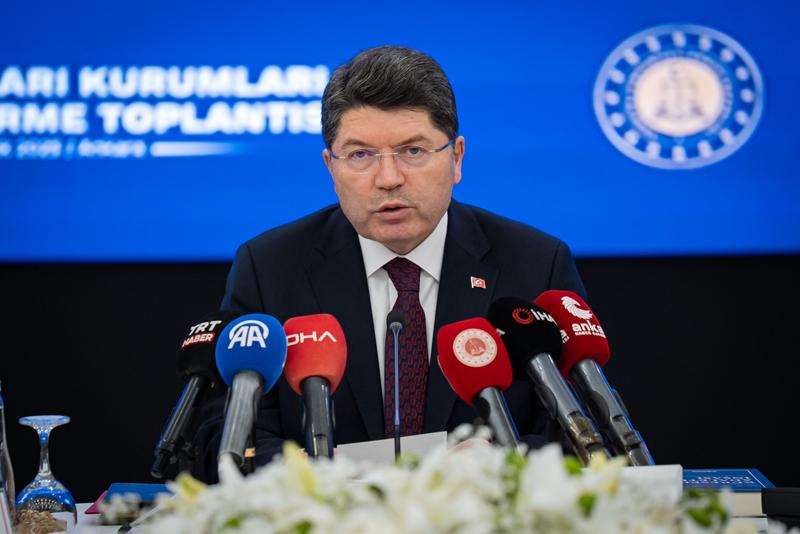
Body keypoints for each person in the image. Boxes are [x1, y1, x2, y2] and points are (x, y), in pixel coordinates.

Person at [193, 45, 586, 482]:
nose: (388, 179)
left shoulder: (535, 264)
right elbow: (225, 435)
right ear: (330, 167)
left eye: (413, 151)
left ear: (456, 158)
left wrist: (497, 463)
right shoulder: (269, 267)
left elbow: (578, 436)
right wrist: (312, 477)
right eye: (360, 155)